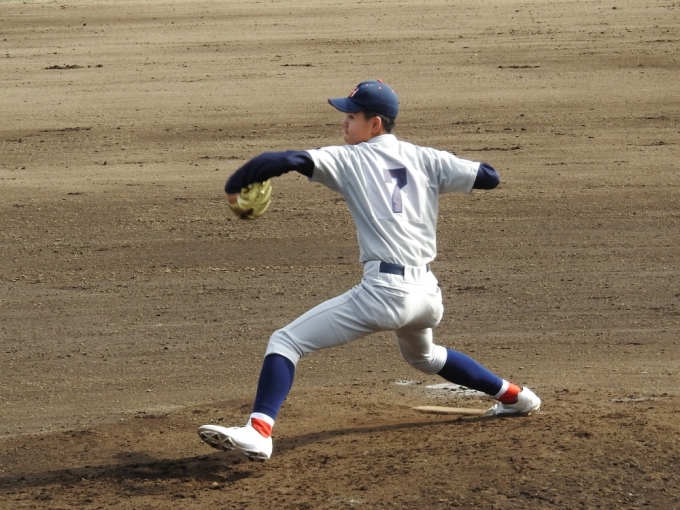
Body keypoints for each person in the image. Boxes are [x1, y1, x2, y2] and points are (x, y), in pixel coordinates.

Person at [198, 79, 541, 461]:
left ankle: (259, 432)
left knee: (285, 342)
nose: (344, 123)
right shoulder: (425, 158)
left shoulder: (351, 159)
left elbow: (283, 160)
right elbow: (489, 176)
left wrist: (235, 185)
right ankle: (516, 397)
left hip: (385, 294)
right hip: (427, 294)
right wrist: (433, 175)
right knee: (425, 358)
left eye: (351, 116)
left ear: (374, 123)